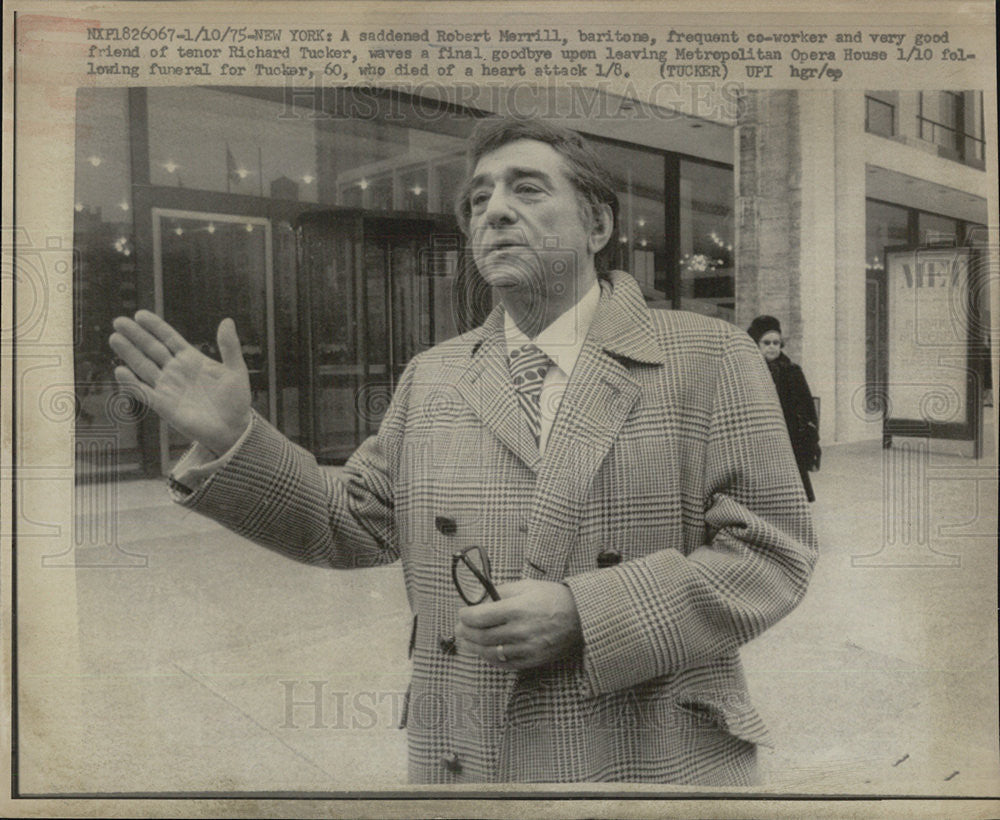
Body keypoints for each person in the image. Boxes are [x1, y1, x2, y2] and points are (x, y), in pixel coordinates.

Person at [109, 117, 817, 785]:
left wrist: (587, 615)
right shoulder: (435, 375)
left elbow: (769, 554)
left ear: (597, 224)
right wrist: (236, 439)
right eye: (479, 200)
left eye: (526, 188)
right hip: (467, 759)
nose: (494, 212)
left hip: (648, 758)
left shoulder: (708, 356)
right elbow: (348, 522)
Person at [747, 315, 821, 502]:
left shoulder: (792, 371)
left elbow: (807, 407)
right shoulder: (748, 371)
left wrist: (810, 438)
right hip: (759, 438)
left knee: (790, 494)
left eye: (776, 343)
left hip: (790, 439)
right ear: (756, 344)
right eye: (766, 342)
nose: (772, 347)